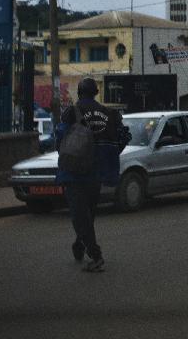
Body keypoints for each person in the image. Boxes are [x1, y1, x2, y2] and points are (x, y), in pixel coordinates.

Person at [55, 77, 124, 272]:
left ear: (79, 92)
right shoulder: (108, 113)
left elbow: (60, 138)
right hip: (96, 175)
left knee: (79, 217)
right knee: (88, 215)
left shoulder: (71, 112)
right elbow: (122, 137)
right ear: (95, 92)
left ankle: (96, 256)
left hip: (75, 173)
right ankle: (80, 245)